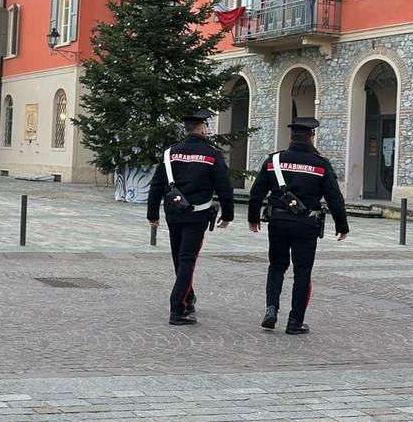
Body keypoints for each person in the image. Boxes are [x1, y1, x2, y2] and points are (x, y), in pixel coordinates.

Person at [247, 117, 349, 334]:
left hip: (278, 222)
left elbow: (256, 193)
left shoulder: (273, 161)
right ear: (311, 137)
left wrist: (253, 218)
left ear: (291, 137)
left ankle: (271, 309)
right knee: (302, 272)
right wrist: (342, 225)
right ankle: (295, 322)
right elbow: (334, 198)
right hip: (306, 224)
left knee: (276, 266)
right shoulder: (321, 164)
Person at [147, 108, 235, 326]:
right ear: (203, 129)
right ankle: (178, 309)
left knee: (179, 258)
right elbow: (224, 187)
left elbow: (156, 185)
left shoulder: (170, 153)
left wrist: (152, 214)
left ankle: (188, 298)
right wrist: (228, 214)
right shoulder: (212, 154)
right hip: (197, 215)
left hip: (173, 213)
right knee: (187, 260)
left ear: (185, 131)